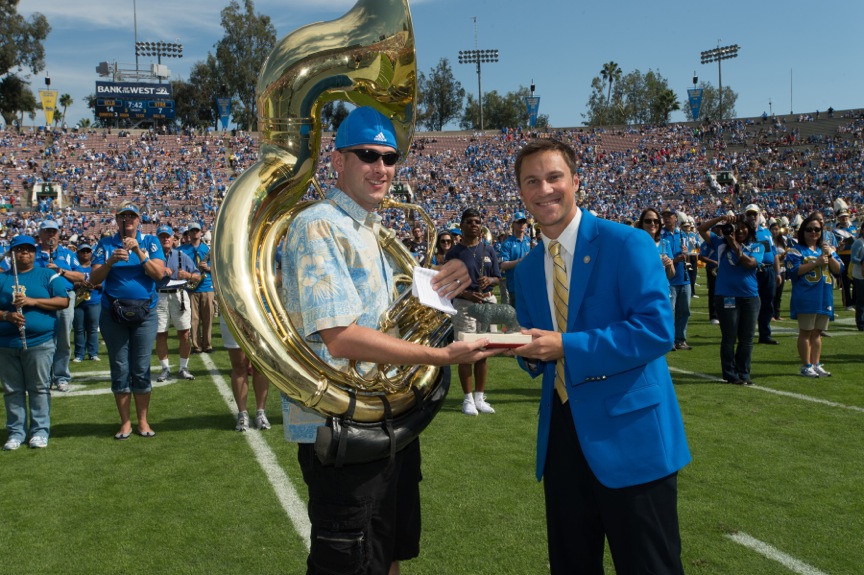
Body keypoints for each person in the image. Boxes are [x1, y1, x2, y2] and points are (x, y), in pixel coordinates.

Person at [280, 106, 497, 575]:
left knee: (389, 555)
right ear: (338, 161)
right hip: (342, 425)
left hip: (385, 419)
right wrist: (440, 355)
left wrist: (445, 281)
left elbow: (396, 315)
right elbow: (340, 337)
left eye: (389, 158)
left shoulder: (373, 228)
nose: (381, 168)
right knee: (350, 563)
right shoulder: (318, 224)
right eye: (367, 155)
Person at [509, 138, 690, 575]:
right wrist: (522, 350)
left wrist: (565, 347)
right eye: (532, 181)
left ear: (576, 181)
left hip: (633, 434)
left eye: (554, 177)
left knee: (650, 566)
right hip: (563, 439)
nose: (544, 189)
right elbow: (537, 346)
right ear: (521, 193)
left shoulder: (627, 242)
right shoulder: (530, 267)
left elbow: (655, 330)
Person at [89, 202, 166, 439]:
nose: (128, 220)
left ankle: (143, 421)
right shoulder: (105, 244)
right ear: (117, 219)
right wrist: (111, 261)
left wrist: (139, 253)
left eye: (132, 216)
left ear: (139, 219)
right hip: (113, 314)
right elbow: (93, 278)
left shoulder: (150, 242)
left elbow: (159, 274)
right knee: (120, 366)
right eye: (124, 216)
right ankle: (125, 422)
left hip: (145, 314)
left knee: (141, 367)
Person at [0, 235, 69, 451]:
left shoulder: (47, 274)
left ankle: (39, 431)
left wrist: (32, 301)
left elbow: (63, 300)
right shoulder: (3, 278)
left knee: (39, 388)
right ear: (12, 254)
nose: (24, 253)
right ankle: (16, 432)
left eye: (29, 249)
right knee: (12, 390)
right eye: (19, 250)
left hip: (40, 342)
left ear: (35, 252)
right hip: (6, 343)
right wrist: (6, 316)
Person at [446, 207, 502, 416]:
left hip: (487, 303)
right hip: (464, 306)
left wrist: (490, 280)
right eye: (469, 222)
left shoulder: (488, 249)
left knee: (483, 353)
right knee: (466, 352)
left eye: (477, 222)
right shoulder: (454, 252)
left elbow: (497, 277)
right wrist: (467, 294)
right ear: (461, 226)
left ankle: (480, 397)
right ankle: (467, 399)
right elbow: (448, 283)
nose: (474, 225)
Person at [698, 214, 763, 385]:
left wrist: (733, 242)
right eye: (736, 227)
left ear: (750, 229)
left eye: (743, 227)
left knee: (747, 338)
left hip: (750, 296)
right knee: (729, 336)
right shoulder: (720, 243)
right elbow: (702, 229)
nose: (739, 230)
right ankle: (729, 373)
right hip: (726, 295)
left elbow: (749, 264)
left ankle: (744, 372)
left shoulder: (757, 246)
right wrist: (720, 219)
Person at [785, 213, 843, 378]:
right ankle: (806, 365)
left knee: (817, 332)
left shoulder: (826, 249)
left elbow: (838, 270)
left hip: (824, 295)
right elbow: (793, 271)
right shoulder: (797, 250)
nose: (813, 232)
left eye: (817, 229)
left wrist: (829, 255)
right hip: (806, 295)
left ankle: (816, 363)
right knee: (806, 331)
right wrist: (815, 263)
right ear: (803, 231)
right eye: (809, 229)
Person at [36, 220, 84, 391]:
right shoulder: (33, 254)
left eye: (54, 232)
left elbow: (81, 277)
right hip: (40, 301)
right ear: (40, 234)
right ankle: (44, 377)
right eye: (47, 231)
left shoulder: (67, 254)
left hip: (64, 298)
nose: (51, 235)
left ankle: (61, 376)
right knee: (42, 339)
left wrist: (61, 271)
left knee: (63, 339)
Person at [154, 225, 200, 382]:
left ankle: (183, 367)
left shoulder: (181, 255)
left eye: (168, 236)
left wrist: (187, 275)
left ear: (173, 239)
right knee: (161, 334)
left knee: (184, 333)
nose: (166, 239)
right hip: (159, 296)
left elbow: (198, 276)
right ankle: (165, 368)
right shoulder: (153, 257)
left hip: (179, 294)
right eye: (162, 236)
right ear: (158, 239)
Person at [221, 316, 270, 431]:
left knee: (260, 365)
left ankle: (261, 412)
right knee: (239, 366)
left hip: (260, 311)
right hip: (232, 312)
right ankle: (242, 413)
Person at [744, 205, 781, 345]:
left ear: (759, 215)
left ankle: (765, 334)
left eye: (755, 214)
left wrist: (777, 272)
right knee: (750, 303)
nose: (752, 217)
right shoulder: (743, 232)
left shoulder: (766, 233)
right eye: (749, 214)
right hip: (751, 271)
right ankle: (747, 333)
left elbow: (774, 254)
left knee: (767, 303)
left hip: (768, 270)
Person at [179, 221, 214, 354]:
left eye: (197, 231)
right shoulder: (182, 250)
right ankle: (196, 345)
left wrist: (208, 268)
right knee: (193, 318)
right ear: (188, 233)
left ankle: (208, 344)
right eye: (192, 231)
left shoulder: (208, 249)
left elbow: (216, 268)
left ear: (201, 233)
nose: (195, 233)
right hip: (191, 287)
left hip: (206, 285)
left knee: (208, 317)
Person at [660, 208, 692, 350]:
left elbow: (689, 251)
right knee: (670, 311)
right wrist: (678, 258)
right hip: (670, 279)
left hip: (684, 278)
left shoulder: (682, 235)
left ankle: (681, 339)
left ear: (675, 218)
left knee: (684, 311)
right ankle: (670, 339)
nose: (667, 219)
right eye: (664, 216)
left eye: (669, 216)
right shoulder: (662, 236)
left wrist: (686, 253)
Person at [71, 243, 102, 362]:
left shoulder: (96, 267)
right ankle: (79, 354)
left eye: (88, 251)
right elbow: (68, 283)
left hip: (93, 301)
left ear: (91, 253)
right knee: (79, 329)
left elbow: (103, 282)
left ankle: (93, 353)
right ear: (77, 253)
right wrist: (79, 284)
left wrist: (93, 284)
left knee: (92, 329)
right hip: (78, 302)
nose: (85, 253)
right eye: (82, 251)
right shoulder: (74, 267)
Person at [498, 211, 533, 306]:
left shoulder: (530, 242)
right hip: (515, 286)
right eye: (519, 222)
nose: (522, 224)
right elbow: (503, 265)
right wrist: (521, 261)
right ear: (513, 224)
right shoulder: (507, 243)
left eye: (523, 222)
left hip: (529, 285)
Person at [634, 208, 675, 283]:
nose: (652, 224)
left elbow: (670, 275)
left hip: (663, 290)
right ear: (642, 224)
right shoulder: (635, 245)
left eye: (656, 221)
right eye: (648, 221)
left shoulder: (665, 243)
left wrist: (670, 265)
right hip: (644, 290)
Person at [769, 219, 788, 321]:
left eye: (777, 229)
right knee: (772, 293)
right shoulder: (768, 241)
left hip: (782, 268)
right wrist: (780, 257)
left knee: (779, 293)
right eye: (773, 229)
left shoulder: (783, 241)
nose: (775, 231)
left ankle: (777, 313)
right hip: (772, 268)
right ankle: (771, 314)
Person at [850, 226, 864, 330]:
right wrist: (862, 261)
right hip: (860, 275)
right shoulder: (859, 242)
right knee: (861, 299)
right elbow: (853, 258)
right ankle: (861, 323)